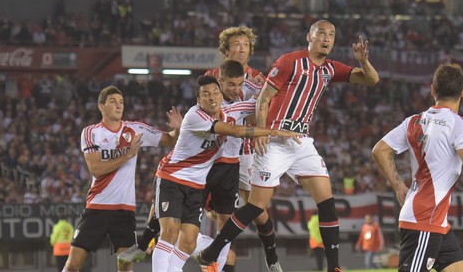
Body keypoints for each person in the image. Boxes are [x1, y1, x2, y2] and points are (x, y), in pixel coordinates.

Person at [198, 20, 379, 272]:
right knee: (256, 206)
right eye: (321, 34)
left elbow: (371, 79)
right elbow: (263, 98)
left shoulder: (329, 69)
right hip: (273, 140)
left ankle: (334, 267)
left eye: (331, 35)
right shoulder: (289, 61)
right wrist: (261, 132)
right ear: (309, 37)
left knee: (326, 201)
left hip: (301, 141)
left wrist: (363, 60)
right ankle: (212, 251)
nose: (326, 38)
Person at [151, 75, 301, 272]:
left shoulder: (231, 110)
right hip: (172, 179)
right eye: (206, 94)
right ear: (198, 100)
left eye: (215, 93)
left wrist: (272, 89)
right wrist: (276, 133)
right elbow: (235, 131)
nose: (212, 98)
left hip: (196, 187)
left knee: (188, 242)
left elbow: (264, 100)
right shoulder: (195, 116)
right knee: (169, 232)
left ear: (221, 95)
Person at [63, 85, 182, 272]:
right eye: (113, 102)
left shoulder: (135, 129)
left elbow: (170, 140)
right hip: (97, 206)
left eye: (121, 102)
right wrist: (128, 154)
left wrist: (177, 129)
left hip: (124, 210)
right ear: (101, 106)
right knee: (73, 265)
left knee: (125, 265)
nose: (119, 106)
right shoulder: (91, 132)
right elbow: (96, 169)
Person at [373, 63, 463, 272]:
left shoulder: (414, 122)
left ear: (433, 89)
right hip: (424, 219)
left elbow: (379, 150)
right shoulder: (458, 126)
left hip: (434, 220)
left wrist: (399, 187)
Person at [206, 27, 281, 271]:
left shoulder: (261, 79)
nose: (241, 49)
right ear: (225, 50)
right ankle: (221, 263)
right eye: (236, 45)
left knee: (258, 210)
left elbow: (266, 116)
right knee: (221, 215)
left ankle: (272, 257)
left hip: (246, 153)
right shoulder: (211, 76)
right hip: (216, 155)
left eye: (245, 45)